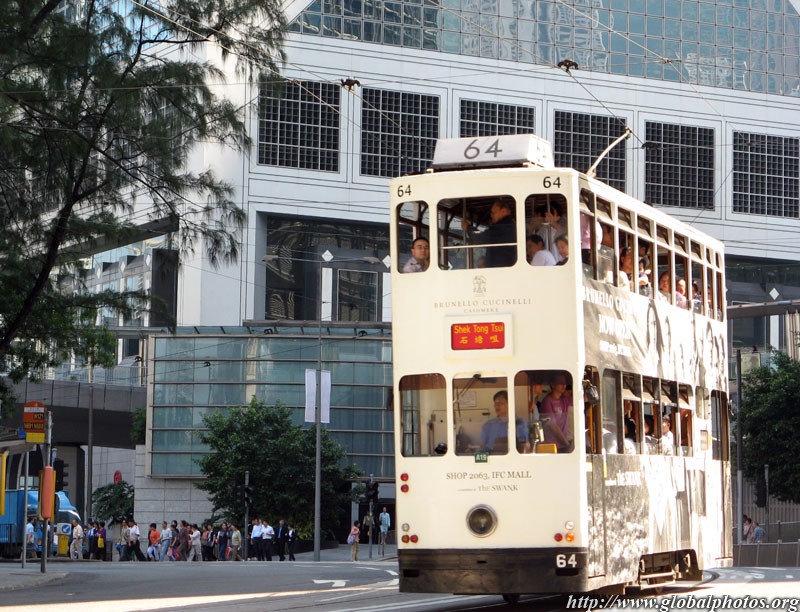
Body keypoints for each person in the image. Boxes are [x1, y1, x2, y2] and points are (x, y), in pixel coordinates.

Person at [461, 199, 516, 268]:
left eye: (493, 213)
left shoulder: (502, 227)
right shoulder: (511, 226)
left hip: (500, 268)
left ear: (503, 211)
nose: (491, 215)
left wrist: (468, 227)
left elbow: (481, 238)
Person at [539, 374, 574, 453]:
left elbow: (583, 399)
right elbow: (553, 426)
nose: (564, 385)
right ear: (552, 384)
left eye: (565, 382)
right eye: (560, 382)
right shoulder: (547, 402)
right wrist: (566, 443)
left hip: (563, 444)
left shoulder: (565, 400)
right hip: (552, 446)